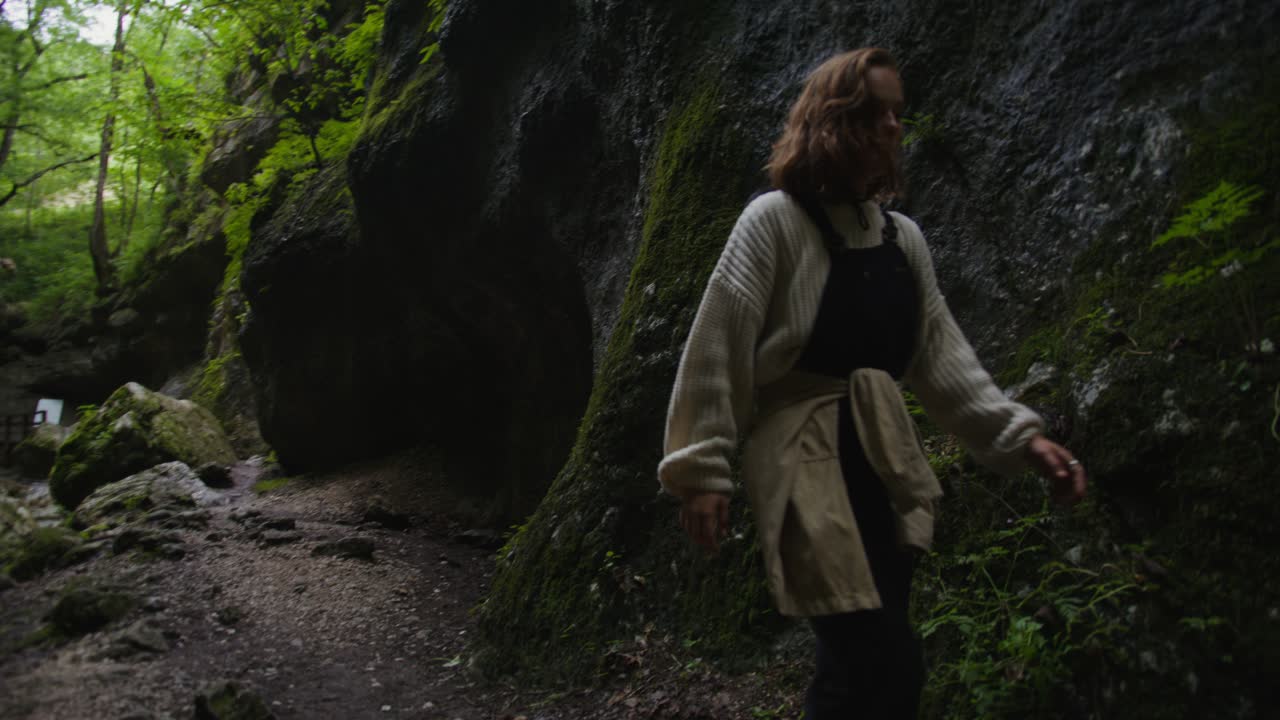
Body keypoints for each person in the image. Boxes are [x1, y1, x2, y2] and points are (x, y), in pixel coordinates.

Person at [657, 48, 1087, 719]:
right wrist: (703, 471)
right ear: (833, 121)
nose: (893, 128)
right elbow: (719, 348)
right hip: (804, 461)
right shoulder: (774, 221)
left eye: (897, 114)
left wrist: (1022, 440)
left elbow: (943, 360)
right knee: (883, 661)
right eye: (875, 113)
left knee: (853, 672)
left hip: (884, 464)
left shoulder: (902, 238)